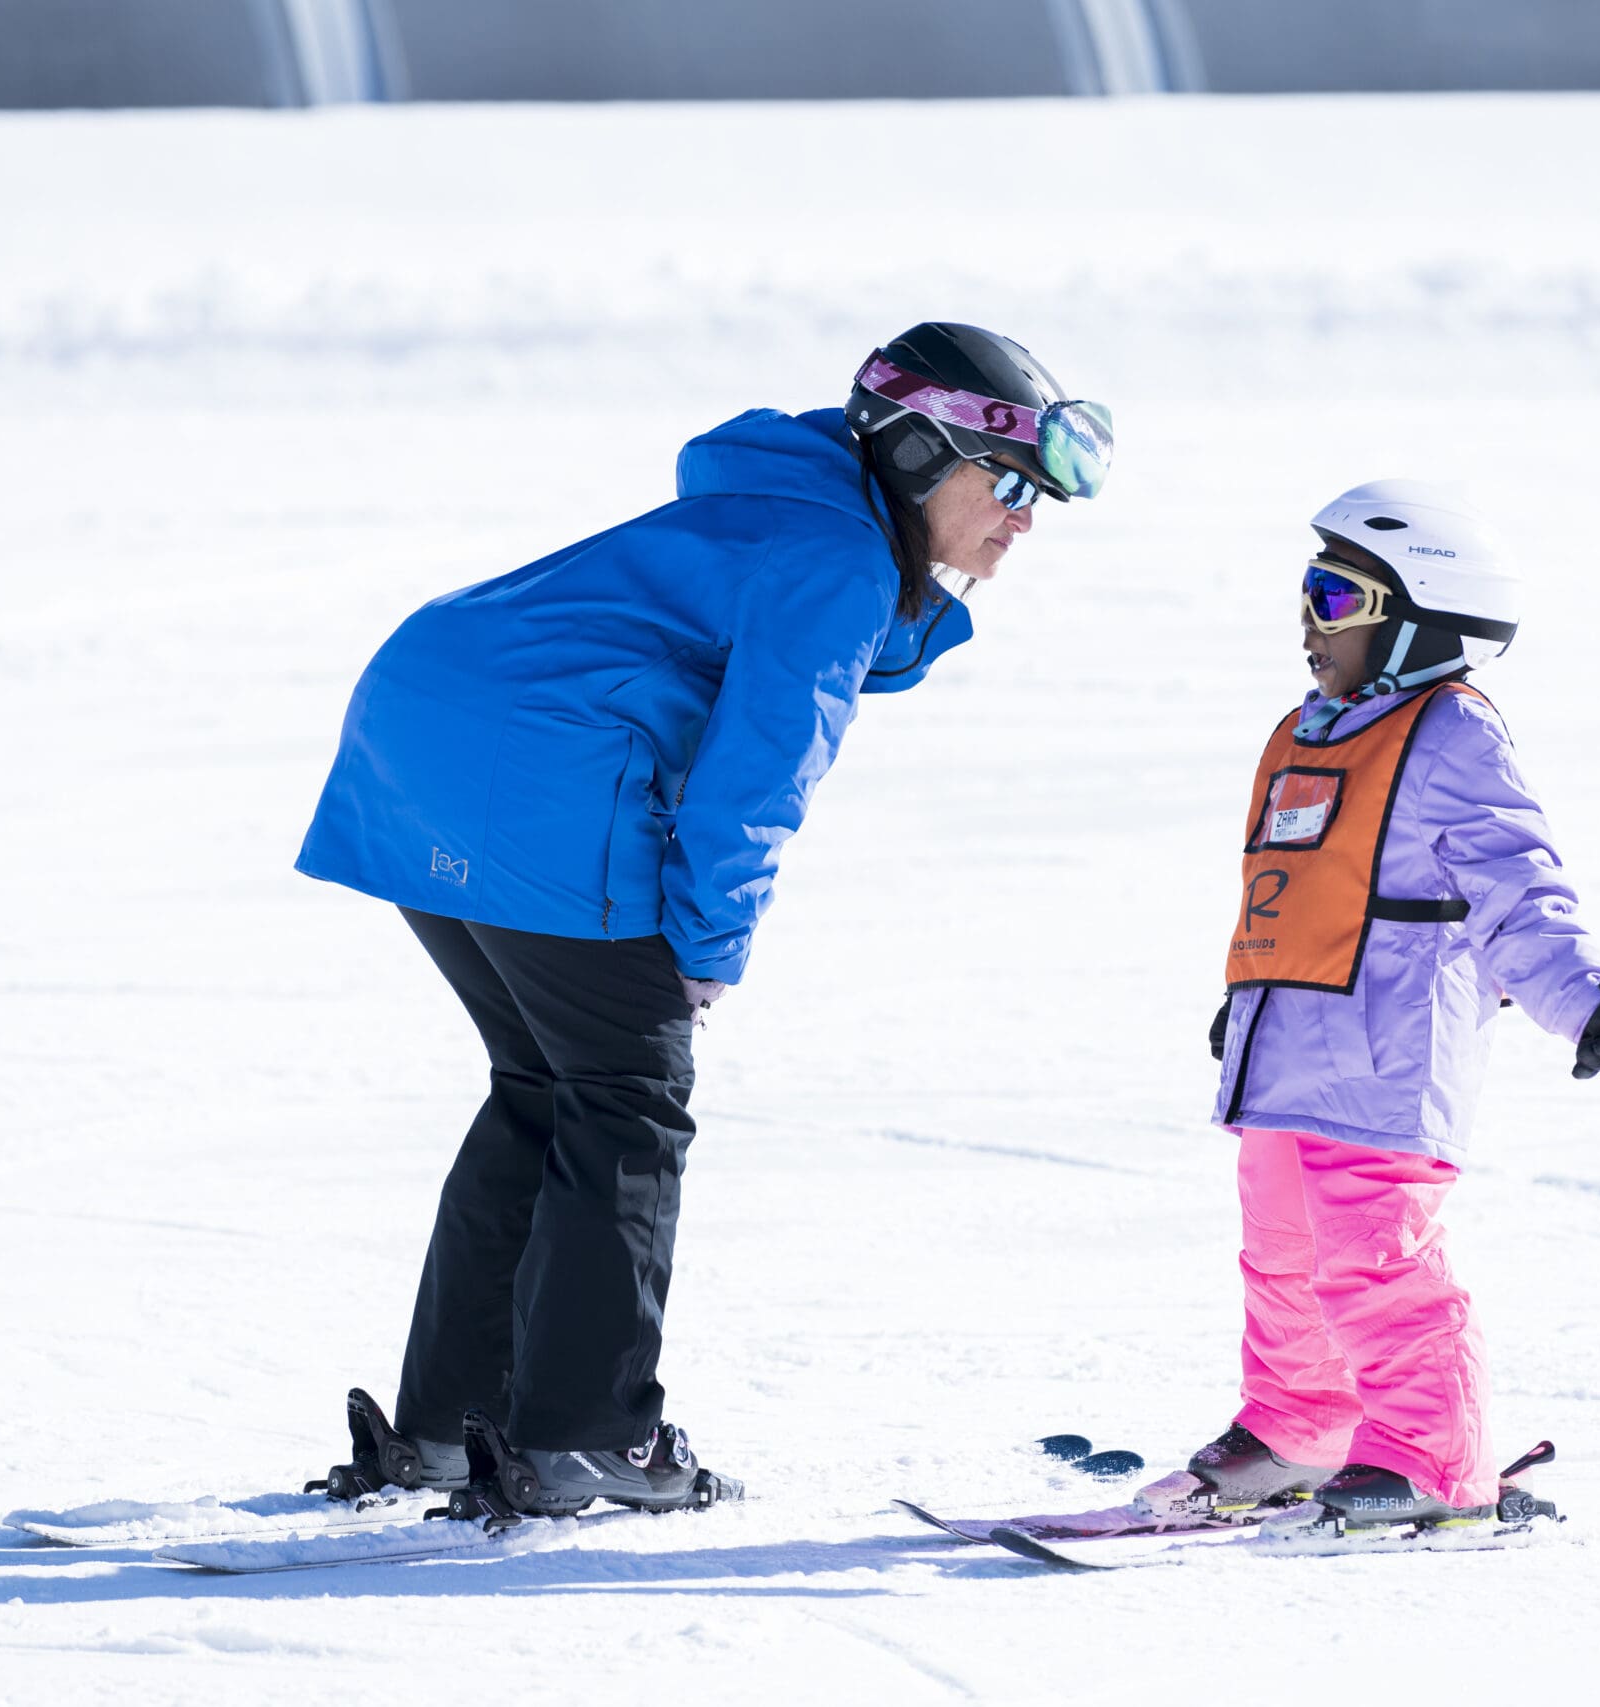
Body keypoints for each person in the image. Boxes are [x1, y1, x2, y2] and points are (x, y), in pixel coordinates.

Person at [291, 325, 1112, 1516]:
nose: (1025, 521)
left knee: (545, 1085)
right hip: (530, 766)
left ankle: (446, 1425)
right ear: (924, 454)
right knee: (625, 1095)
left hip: (421, 732)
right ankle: (587, 1437)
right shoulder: (836, 559)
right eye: (1010, 486)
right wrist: (706, 950)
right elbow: (754, 783)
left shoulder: (794, 511)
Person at [1153, 480, 1600, 1544]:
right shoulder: (1308, 732)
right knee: (1279, 1257)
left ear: (1421, 618)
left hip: (1386, 1055)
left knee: (1377, 1263)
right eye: (1308, 590)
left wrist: (1584, 1002)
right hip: (1284, 1050)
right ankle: (1301, 1427)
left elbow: (1515, 884)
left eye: (1338, 597)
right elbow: (1294, 888)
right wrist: (1248, 999)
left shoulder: (1450, 734)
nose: (1310, 619)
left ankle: (1431, 1457)